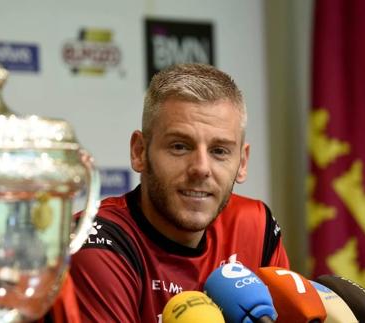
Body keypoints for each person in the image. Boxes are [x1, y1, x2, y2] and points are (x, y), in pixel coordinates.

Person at [69, 63, 290, 323]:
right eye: (179, 146)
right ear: (139, 152)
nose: (201, 168)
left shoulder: (254, 225)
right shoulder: (96, 242)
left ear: (242, 163)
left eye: (219, 151)